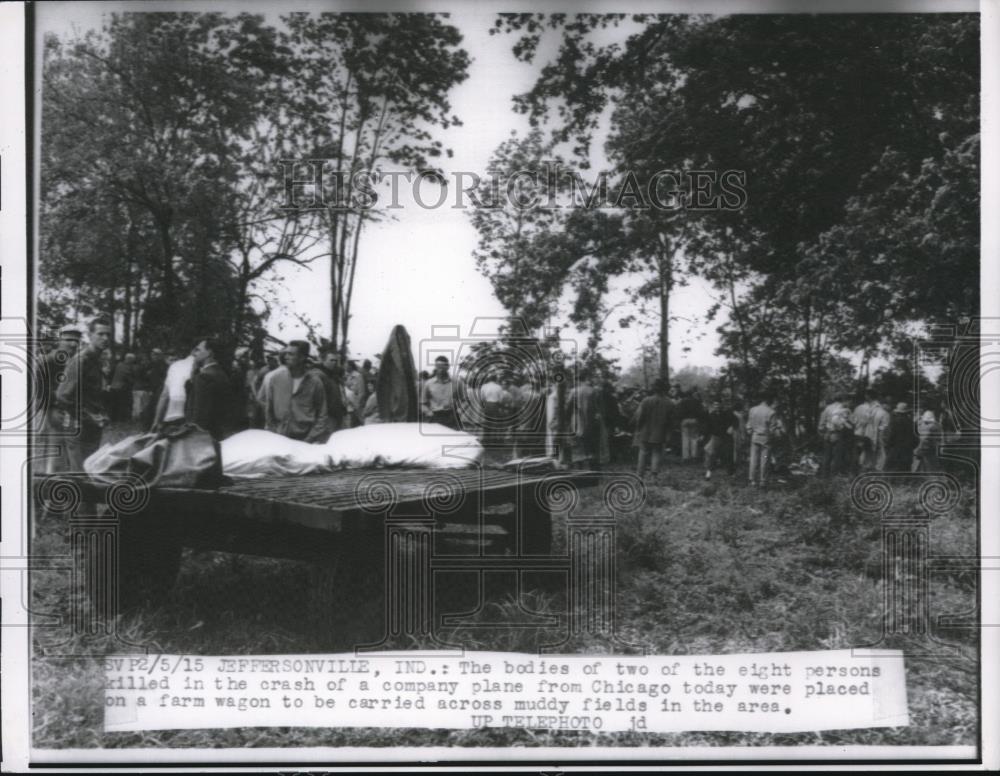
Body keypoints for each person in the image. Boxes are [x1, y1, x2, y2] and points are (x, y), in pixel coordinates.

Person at [55, 317, 112, 471]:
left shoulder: (98, 360)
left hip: (93, 425)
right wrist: (87, 415)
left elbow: (94, 395)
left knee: (90, 469)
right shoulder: (81, 360)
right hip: (77, 424)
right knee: (79, 473)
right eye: (100, 334)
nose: (105, 338)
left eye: (108, 335)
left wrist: (101, 413)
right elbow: (62, 396)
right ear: (90, 335)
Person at [258, 340, 329, 442]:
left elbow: (322, 414)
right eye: (286, 353)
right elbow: (268, 410)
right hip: (278, 437)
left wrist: (310, 438)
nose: (286, 357)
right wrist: (273, 433)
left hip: (305, 438)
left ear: (302, 357)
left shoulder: (315, 382)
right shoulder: (275, 379)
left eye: (291, 354)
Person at [34, 324, 82, 474]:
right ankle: (49, 479)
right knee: (53, 448)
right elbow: (39, 392)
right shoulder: (47, 361)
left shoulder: (75, 361)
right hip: (50, 410)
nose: (73, 344)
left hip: (69, 412)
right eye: (68, 340)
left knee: (68, 451)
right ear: (59, 341)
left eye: (76, 341)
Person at [187, 337, 232, 440]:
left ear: (209, 352)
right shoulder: (222, 374)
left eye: (198, 350)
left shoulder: (203, 377)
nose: (194, 353)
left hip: (201, 439)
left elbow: (199, 416)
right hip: (217, 435)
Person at [632, 378, 673, 478]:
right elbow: (670, 421)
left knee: (643, 451)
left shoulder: (646, 400)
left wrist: (638, 428)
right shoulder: (669, 403)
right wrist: (668, 433)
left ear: (654, 389)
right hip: (660, 432)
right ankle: (654, 474)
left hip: (646, 431)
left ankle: (640, 473)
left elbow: (640, 417)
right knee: (657, 452)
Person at [746, 392, 778, 488]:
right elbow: (773, 429)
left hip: (755, 437)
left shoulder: (752, 410)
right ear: (769, 400)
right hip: (765, 438)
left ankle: (752, 480)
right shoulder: (771, 412)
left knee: (753, 459)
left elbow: (749, 425)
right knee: (764, 460)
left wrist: (751, 431)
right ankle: (763, 481)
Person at [818, 393, 853, 477]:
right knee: (838, 456)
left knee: (827, 456)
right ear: (843, 399)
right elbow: (850, 423)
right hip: (838, 434)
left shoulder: (827, 408)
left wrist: (824, 433)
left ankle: (825, 475)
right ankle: (834, 476)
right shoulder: (844, 409)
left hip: (827, 434)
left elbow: (821, 425)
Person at [422, 355, 460, 430]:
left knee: (453, 439)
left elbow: (464, 400)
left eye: (442, 367)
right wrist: (429, 412)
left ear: (448, 367)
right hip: (435, 416)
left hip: (452, 416)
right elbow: (423, 403)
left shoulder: (457, 382)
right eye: (438, 366)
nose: (440, 369)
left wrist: (460, 411)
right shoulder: (429, 383)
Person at [317, 346, 349, 434]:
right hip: (326, 417)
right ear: (323, 360)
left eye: (336, 361)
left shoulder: (333, 376)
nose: (334, 363)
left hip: (336, 416)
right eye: (331, 360)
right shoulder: (319, 375)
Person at [702, 399, 732, 480]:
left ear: (721, 405)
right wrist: (703, 435)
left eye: (718, 405)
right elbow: (707, 427)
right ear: (713, 406)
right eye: (715, 405)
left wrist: (731, 427)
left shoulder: (725, 414)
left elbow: (732, 421)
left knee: (726, 454)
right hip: (715, 437)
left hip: (725, 437)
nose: (717, 407)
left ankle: (729, 472)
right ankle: (708, 473)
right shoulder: (711, 415)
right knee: (711, 455)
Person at [885, 402, 917, 472]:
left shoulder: (893, 423)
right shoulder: (912, 423)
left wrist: (888, 446)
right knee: (905, 471)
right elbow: (916, 440)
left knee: (893, 471)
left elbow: (889, 437)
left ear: (898, 412)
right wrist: (910, 447)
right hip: (907, 452)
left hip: (895, 451)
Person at [677, 389, 706, 463]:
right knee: (694, 439)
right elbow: (701, 412)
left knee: (685, 439)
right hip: (694, 420)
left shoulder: (682, 402)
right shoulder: (696, 401)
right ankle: (694, 456)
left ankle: (686, 457)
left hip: (685, 420)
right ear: (692, 394)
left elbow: (678, 412)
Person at [912, 408, 942, 472]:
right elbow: (938, 438)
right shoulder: (936, 426)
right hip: (930, 447)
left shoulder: (921, 425)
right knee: (930, 464)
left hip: (923, 447)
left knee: (924, 463)